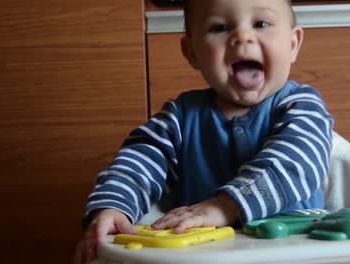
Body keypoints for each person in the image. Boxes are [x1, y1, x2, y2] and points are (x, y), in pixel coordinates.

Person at [73, 0, 334, 263]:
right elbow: (138, 162)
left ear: (292, 44)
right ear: (192, 52)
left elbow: (297, 163)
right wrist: (112, 208)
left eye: (261, 24)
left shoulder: (302, 106)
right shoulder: (180, 117)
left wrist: (225, 206)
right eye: (220, 27)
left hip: (294, 254)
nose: (242, 36)